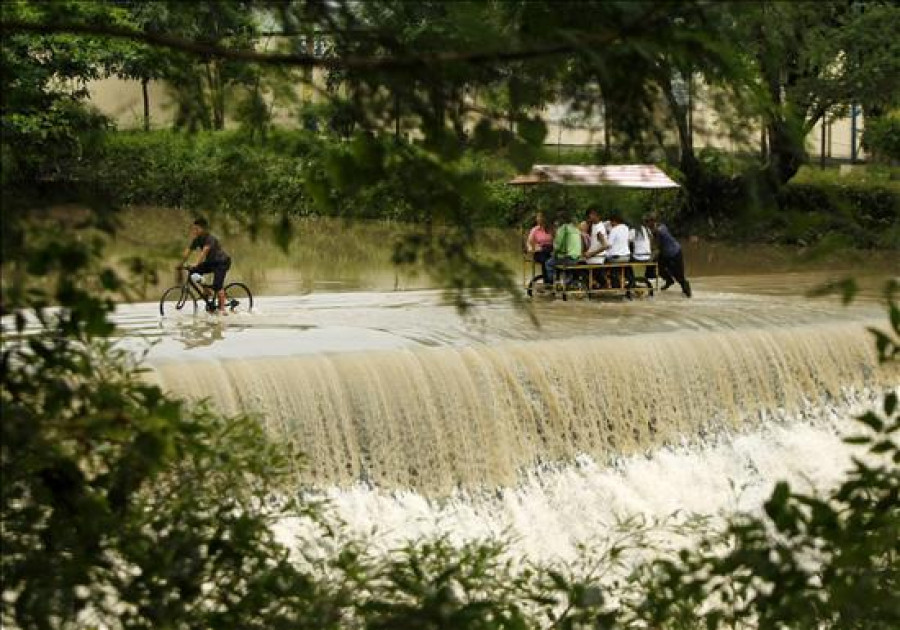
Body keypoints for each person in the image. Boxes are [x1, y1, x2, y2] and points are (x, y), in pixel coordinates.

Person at [180, 217, 233, 315]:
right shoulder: (196, 240)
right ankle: (207, 290)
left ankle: (222, 310)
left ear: (203, 229)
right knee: (193, 272)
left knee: (218, 286)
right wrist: (180, 264)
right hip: (211, 262)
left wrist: (196, 263)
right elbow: (188, 252)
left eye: (197, 229)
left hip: (222, 262)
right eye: (193, 229)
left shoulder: (210, 238)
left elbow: (204, 252)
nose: (194, 231)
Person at [646, 213, 692, 297]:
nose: (647, 224)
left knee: (679, 276)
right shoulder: (660, 226)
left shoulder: (659, 231)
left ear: (652, 222)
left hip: (674, 253)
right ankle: (669, 280)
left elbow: (657, 248)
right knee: (659, 268)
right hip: (666, 253)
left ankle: (687, 293)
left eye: (647, 222)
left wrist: (650, 258)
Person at [545, 209, 582, 286]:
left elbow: (558, 246)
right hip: (577, 257)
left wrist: (554, 253)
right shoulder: (575, 228)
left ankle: (553, 283)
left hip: (568, 258)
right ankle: (566, 281)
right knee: (559, 260)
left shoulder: (563, 228)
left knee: (548, 263)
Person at [525, 211, 554, 281]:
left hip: (550, 251)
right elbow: (529, 242)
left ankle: (555, 280)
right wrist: (531, 248)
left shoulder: (550, 230)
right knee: (545, 260)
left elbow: (555, 242)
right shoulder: (535, 230)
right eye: (538, 217)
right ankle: (547, 281)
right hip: (540, 253)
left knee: (554, 260)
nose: (539, 219)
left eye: (541, 217)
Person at [629, 214, 655, 289]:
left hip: (638, 257)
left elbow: (626, 241)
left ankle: (630, 279)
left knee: (626, 261)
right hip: (648, 256)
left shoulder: (633, 231)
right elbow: (651, 240)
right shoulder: (647, 230)